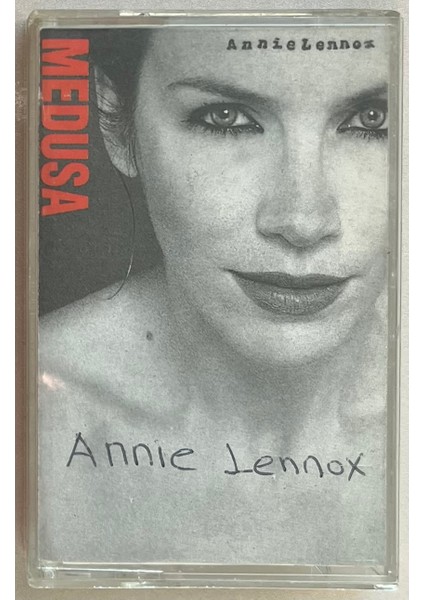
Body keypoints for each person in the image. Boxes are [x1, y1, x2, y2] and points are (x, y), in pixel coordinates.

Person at [38, 24, 391, 566]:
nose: (303, 221)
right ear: (115, 121)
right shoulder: (27, 407)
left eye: (374, 120)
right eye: (225, 118)